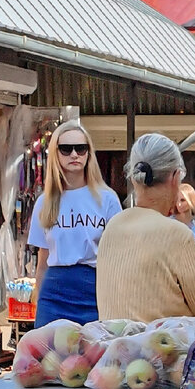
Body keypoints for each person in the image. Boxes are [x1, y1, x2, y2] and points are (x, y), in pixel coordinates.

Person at [97, 134, 195, 323]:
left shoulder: (113, 227)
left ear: (134, 179)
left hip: (114, 347)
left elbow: (154, 287)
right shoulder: (177, 234)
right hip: (159, 349)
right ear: (174, 178)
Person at [27, 122, 122, 327]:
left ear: (89, 153)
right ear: (56, 153)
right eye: (66, 149)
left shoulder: (107, 199)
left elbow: (117, 258)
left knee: (95, 356)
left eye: (81, 148)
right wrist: (37, 295)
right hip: (54, 293)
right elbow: (42, 261)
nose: (74, 154)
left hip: (95, 290)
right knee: (48, 355)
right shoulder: (45, 202)